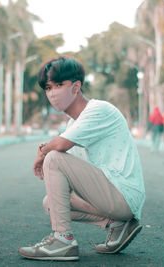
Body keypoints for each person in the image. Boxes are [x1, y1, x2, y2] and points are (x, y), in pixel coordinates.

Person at [19, 56, 145, 261]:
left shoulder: (98, 110)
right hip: (114, 199)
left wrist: (42, 153)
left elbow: (58, 147)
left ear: (76, 87)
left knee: (54, 158)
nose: (53, 93)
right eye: (48, 88)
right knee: (51, 203)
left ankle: (62, 240)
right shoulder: (73, 125)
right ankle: (118, 224)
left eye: (60, 85)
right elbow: (68, 178)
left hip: (123, 194)